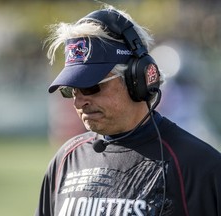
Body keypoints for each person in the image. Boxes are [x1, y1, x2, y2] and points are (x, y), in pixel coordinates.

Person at [35, 5, 221, 216]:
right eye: (71, 90)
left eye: (90, 86)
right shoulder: (65, 161)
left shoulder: (199, 167)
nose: (78, 102)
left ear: (137, 78)